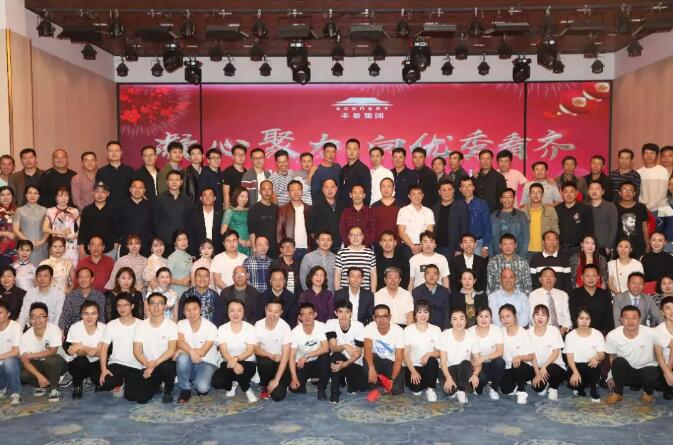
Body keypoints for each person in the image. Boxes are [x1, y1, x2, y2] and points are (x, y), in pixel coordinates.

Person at [605, 305, 670, 404]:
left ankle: (648, 393)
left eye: (634, 318)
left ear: (640, 320)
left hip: (645, 371)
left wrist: (668, 371)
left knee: (651, 371)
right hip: (626, 373)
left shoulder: (650, 332)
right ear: (621, 320)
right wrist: (612, 376)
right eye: (626, 318)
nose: (630, 321)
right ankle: (618, 392)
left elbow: (671, 344)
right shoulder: (612, 335)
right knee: (618, 361)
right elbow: (612, 357)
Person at [132, 291, 179, 404]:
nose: (156, 306)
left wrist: (154, 364)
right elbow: (137, 351)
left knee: (167, 366)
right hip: (148, 364)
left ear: (165, 306)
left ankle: (168, 390)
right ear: (148, 306)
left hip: (164, 363)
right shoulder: (141, 325)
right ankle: (157, 383)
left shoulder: (171, 325)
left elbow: (171, 350)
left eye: (160, 303)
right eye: (153, 303)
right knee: (141, 398)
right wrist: (147, 364)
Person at [19, 302, 67, 402]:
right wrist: (39, 376)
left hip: (58, 364)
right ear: (29, 320)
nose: (37, 320)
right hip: (40, 366)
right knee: (22, 373)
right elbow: (25, 360)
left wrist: (31, 355)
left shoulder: (54, 329)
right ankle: (41, 384)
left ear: (47, 318)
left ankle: (54, 389)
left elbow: (53, 351)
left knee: (51, 360)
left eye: (41, 316)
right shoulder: (25, 336)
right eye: (33, 317)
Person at [212, 299, 257, 402]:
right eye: (232, 310)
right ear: (228, 313)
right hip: (228, 362)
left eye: (239, 310)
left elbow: (249, 351)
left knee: (240, 371)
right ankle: (234, 383)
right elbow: (223, 351)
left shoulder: (250, 328)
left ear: (243, 312)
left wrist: (236, 359)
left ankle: (248, 390)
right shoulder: (222, 328)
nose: (235, 313)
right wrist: (234, 363)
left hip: (247, 363)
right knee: (216, 382)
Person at [98, 292, 142, 400]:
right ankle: (120, 383)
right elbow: (104, 348)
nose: (122, 308)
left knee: (132, 396)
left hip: (135, 365)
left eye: (125, 305)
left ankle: (126, 383)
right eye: (119, 306)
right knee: (106, 383)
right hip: (116, 363)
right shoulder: (111, 325)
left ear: (132, 306)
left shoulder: (141, 324)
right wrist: (104, 370)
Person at [175, 296, 219, 403]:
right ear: (184, 312)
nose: (191, 312)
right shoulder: (181, 324)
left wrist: (183, 350)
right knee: (182, 358)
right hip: (190, 359)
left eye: (194, 309)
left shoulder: (211, 327)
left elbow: (203, 352)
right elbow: (180, 342)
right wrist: (190, 351)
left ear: (200, 309)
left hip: (207, 362)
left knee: (202, 388)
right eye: (188, 310)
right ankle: (185, 388)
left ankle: (196, 379)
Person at [325, 300, 366, 404]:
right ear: (336, 313)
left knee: (363, 387)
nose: (343, 316)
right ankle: (334, 391)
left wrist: (345, 365)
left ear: (351, 313)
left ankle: (348, 380)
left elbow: (358, 354)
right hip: (338, 358)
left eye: (347, 312)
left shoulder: (359, 326)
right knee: (336, 356)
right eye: (340, 312)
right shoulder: (330, 323)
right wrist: (345, 346)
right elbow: (333, 347)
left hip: (354, 362)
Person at [288, 302, 330, 401]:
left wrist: (307, 355)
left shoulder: (321, 326)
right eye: (304, 314)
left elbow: (325, 348)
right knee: (296, 389)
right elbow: (291, 356)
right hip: (302, 365)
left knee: (326, 357)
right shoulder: (295, 332)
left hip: (318, 362)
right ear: (299, 317)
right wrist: (294, 378)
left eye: (310, 313)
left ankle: (321, 389)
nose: (307, 317)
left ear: (315, 314)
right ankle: (303, 383)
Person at [438, 308, 481, 403]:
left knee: (466, 363)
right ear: (451, 322)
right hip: (448, 368)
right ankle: (458, 387)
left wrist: (475, 374)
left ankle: (461, 390)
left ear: (466, 321)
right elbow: (443, 361)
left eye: (461, 318)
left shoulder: (471, 337)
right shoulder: (445, 335)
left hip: (463, 368)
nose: (459, 322)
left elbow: (478, 361)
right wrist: (448, 378)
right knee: (449, 392)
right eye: (455, 319)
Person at [363, 304, 405, 401]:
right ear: (374, 317)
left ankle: (382, 384)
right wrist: (371, 368)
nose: (381, 320)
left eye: (385, 316)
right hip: (376, 360)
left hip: (392, 362)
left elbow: (399, 358)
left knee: (396, 390)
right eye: (378, 317)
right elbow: (367, 350)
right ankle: (376, 387)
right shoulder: (369, 328)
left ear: (389, 317)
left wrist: (392, 379)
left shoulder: (398, 330)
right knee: (367, 359)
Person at [402, 299, 441, 402]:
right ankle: (427, 381)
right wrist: (413, 371)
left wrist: (429, 354)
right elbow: (405, 354)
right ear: (415, 315)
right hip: (413, 366)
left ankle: (430, 388)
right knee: (416, 390)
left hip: (429, 366)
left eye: (426, 312)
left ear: (429, 314)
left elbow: (439, 353)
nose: (423, 315)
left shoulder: (436, 329)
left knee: (432, 360)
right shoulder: (408, 330)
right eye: (419, 312)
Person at [254, 298, 292, 401]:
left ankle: (277, 381)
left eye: (276, 312)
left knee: (278, 396)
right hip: (266, 361)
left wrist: (276, 380)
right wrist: (272, 355)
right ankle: (264, 385)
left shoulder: (285, 327)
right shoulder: (258, 324)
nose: (272, 315)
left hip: (281, 363)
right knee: (265, 361)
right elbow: (256, 349)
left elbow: (285, 357)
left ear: (281, 312)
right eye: (270, 311)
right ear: (265, 310)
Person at [564, 307, 605, 402]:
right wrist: (575, 372)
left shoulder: (597, 334)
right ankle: (580, 389)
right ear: (576, 319)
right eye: (581, 318)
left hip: (591, 366)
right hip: (576, 366)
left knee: (594, 364)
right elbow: (569, 358)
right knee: (573, 383)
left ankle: (594, 390)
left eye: (587, 318)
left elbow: (602, 355)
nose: (584, 321)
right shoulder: (570, 336)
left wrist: (597, 358)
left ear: (591, 320)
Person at [65, 300, 105, 399]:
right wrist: (88, 349)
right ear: (81, 315)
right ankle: (77, 385)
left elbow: (100, 353)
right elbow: (79, 353)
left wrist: (81, 346)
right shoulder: (75, 327)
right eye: (86, 314)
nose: (89, 317)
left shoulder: (104, 328)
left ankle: (94, 380)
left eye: (93, 313)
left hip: (97, 362)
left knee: (102, 380)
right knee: (80, 361)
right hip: (80, 362)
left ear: (98, 315)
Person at [498, 304, 535, 405]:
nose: (505, 319)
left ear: (515, 317)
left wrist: (520, 357)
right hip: (509, 368)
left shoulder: (523, 333)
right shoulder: (500, 332)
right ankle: (517, 382)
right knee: (506, 390)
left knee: (517, 364)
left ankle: (521, 391)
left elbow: (531, 356)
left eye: (508, 316)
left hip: (525, 367)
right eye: (502, 317)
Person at [528, 304, 566, 401]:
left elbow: (555, 353)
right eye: (537, 314)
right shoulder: (529, 333)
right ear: (533, 317)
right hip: (538, 367)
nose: (540, 317)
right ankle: (545, 384)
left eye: (543, 315)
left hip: (555, 366)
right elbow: (532, 355)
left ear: (548, 318)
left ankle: (553, 388)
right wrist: (537, 374)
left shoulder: (554, 331)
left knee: (552, 369)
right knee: (537, 387)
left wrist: (544, 367)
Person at [469, 307, 506, 400]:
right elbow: (467, 354)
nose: (484, 319)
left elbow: (500, 352)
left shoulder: (496, 330)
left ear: (491, 318)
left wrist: (483, 358)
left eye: (487, 316)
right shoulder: (470, 331)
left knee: (500, 362)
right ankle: (478, 385)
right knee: (479, 388)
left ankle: (494, 388)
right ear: (476, 318)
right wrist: (473, 363)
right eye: (480, 316)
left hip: (492, 364)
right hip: (477, 366)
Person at [153, 171, 192, 257]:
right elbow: (154, 220)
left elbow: (189, 221)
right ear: (167, 182)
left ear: (181, 182)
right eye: (171, 180)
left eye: (177, 180)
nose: (174, 182)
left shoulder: (186, 199)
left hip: (182, 243)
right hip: (165, 243)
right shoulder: (160, 199)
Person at [58, 267, 106, 335]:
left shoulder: (99, 296)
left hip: (94, 332)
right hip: (74, 332)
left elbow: (101, 317)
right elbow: (65, 316)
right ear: (77, 280)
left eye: (86, 277)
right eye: (80, 277)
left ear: (92, 279)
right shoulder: (71, 296)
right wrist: (61, 331)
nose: (83, 280)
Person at [569, 264, 614, 336]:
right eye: (587, 276)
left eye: (593, 275)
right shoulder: (575, 294)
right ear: (582, 278)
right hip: (581, 332)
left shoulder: (604, 294)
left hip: (601, 334)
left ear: (598, 278)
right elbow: (573, 317)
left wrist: (607, 335)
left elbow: (609, 319)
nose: (590, 279)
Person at [78, 181, 118, 260]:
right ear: (93, 193)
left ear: (108, 194)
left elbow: (116, 231)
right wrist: (81, 249)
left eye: (103, 192)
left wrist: (115, 250)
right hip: (90, 251)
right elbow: (82, 231)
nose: (100, 194)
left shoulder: (113, 210)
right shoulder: (87, 210)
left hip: (109, 250)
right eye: (97, 191)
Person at [17, 265, 65, 329]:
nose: (42, 279)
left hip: (51, 328)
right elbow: (24, 313)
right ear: (36, 278)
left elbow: (58, 316)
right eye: (39, 276)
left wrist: (53, 331)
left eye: (45, 276)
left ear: (51, 278)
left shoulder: (59, 294)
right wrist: (18, 331)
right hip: (32, 328)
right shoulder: (30, 293)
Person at [42, 187, 80, 267]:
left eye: (66, 196)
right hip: (56, 245)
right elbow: (45, 229)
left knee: (71, 267)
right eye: (60, 196)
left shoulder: (74, 210)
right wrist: (60, 232)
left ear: (69, 198)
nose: (63, 198)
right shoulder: (50, 211)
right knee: (56, 268)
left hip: (71, 244)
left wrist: (74, 236)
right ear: (56, 198)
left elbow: (82, 227)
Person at [520, 183, 559, 257]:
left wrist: (556, 248)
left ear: (542, 195)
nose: (535, 195)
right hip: (526, 250)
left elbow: (555, 231)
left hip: (545, 249)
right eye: (533, 193)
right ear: (529, 195)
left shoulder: (550, 210)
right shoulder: (522, 212)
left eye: (538, 192)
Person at [432, 180, 469, 259]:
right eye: (444, 190)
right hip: (435, 248)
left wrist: (459, 249)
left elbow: (464, 229)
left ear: (453, 191)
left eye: (449, 190)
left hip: (453, 249)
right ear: (439, 192)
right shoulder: (434, 207)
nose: (447, 193)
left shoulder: (461, 207)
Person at [528, 268, 571, 335]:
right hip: (541, 329)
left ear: (555, 279)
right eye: (545, 276)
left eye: (551, 276)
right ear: (540, 279)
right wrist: (542, 329)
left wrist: (565, 327)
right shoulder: (533, 295)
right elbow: (531, 316)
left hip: (561, 329)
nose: (548, 278)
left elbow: (568, 315)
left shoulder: (563, 295)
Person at [555, 182, 594, 256]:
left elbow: (590, 230)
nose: (569, 194)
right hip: (560, 248)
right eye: (566, 192)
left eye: (572, 191)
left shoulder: (585, 209)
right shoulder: (557, 209)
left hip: (579, 249)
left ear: (576, 193)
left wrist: (587, 246)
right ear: (561, 193)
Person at [118, 179, 154, 257]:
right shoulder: (122, 205)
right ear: (130, 189)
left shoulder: (151, 206)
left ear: (144, 190)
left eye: (140, 187)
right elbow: (117, 225)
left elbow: (154, 226)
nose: (137, 190)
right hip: (127, 246)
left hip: (145, 246)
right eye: (134, 187)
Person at [276, 181, 311, 262]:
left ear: (302, 191)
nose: (296, 192)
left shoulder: (309, 209)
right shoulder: (283, 210)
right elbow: (279, 232)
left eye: (298, 189)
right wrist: (281, 250)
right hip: (290, 250)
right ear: (288, 193)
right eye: (292, 190)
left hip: (307, 249)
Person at [12, 185, 48, 264]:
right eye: (30, 193)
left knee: (42, 269)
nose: (32, 195)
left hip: (40, 246)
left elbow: (48, 229)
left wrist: (42, 241)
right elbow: (15, 229)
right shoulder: (19, 210)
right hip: (25, 247)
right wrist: (28, 242)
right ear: (25, 195)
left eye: (35, 193)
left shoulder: (45, 210)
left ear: (39, 195)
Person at [335, 226, 377, 292]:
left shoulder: (370, 253)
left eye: (358, 235)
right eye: (352, 235)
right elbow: (337, 275)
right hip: (345, 293)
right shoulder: (341, 253)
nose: (355, 237)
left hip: (364, 293)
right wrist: (338, 293)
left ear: (363, 236)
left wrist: (373, 293)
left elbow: (373, 275)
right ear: (348, 237)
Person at [529, 231, 572, 295]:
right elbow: (533, 282)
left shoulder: (564, 259)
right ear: (543, 242)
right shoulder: (535, 259)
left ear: (557, 242)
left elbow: (568, 283)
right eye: (548, 239)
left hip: (560, 297)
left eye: (554, 239)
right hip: (540, 296)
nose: (552, 242)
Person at [397, 185, 435, 257]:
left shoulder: (429, 211)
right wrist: (412, 246)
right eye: (413, 194)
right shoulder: (403, 211)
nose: (417, 196)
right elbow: (401, 232)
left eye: (419, 194)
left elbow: (430, 232)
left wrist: (421, 246)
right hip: (407, 247)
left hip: (424, 247)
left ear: (423, 195)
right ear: (409, 196)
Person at [616, 181, 650, 259]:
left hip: (639, 245)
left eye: (630, 190)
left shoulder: (641, 207)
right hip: (621, 246)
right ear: (619, 193)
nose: (627, 193)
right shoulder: (614, 207)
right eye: (624, 190)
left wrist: (647, 245)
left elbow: (645, 227)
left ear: (634, 193)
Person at [95, 141, 135, 208]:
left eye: (116, 151)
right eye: (111, 151)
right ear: (107, 153)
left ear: (121, 152)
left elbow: (134, 190)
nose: (114, 153)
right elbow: (99, 191)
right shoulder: (101, 172)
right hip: (107, 208)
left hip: (127, 207)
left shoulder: (130, 171)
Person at [490, 188, 529, 257]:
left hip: (517, 255)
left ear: (514, 199)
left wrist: (522, 255)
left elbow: (526, 237)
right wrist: (491, 254)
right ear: (500, 199)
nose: (507, 200)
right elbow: (489, 236)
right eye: (504, 197)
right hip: (497, 255)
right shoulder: (493, 216)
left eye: (509, 197)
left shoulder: (521, 215)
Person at [309, 178, 344, 253]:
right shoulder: (315, 207)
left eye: (332, 187)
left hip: (339, 247)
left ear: (336, 189)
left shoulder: (343, 206)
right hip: (322, 248)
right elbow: (311, 230)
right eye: (327, 187)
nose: (330, 190)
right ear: (323, 190)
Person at [460, 177, 491, 257]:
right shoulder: (458, 205)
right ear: (460, 189)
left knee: (477, 264)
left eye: (469, 185)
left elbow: (487, 226)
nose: (467, 188)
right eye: (464, 186)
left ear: (473, 188)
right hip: (462, 244)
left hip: (478, 243)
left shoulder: (482, 204)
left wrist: (485, 246)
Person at [414, 264, 451, 330]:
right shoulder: (417, 291)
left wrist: (446, 329)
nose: (431, 276)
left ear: (439, 276)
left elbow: (446, 312)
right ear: (424, 276)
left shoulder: (445, 291)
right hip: (423, 327)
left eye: (435, 274)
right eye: (428, 273)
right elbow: (415, 312)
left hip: (440, 327)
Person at [248, 180, 279, 258]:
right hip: (260, 249)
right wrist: (254, 249)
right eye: (264, 189)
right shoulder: (254, 208)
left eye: (269, 189)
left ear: (272, 191)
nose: (267, 192)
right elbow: (251, 232)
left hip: (275, 249)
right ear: (260, 191)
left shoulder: (276, 208)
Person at [587, 180, 618, 256]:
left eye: (597, 188)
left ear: (603, 191)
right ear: (588, 191)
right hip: (587, 247)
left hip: (604, 247)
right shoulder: (584, 206)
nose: (594, 191)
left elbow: (614, 228)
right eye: (591, 188)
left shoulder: (610, 206)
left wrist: (608, 246)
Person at [0, 300, 22, 405]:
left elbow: (16, 351)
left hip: (14, 362)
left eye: (0, 312)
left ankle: (16, 392)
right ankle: (2, 387)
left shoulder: (15, 326)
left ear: (8, 314)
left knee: (8, 362)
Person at [338, 139, 371, 207]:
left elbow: (367, 192)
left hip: (357, 209)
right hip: (343, 208)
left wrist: (363, 209)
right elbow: (340, 189)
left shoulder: (363, 169)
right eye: (349, 149)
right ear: (346, 151)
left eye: (354, 149)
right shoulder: (343, 169)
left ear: (359, 151)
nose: (352, 151)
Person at [638, 143, 669, 214]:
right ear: (642, 155)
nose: (649, 156)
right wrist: (643, 205)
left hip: (660, 209)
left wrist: (649, 206)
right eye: (646, 153)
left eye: (652, 153)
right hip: (643, 209)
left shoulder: (662, 171)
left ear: (657, 155)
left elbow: (662, 193)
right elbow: (638, 193)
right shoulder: (639, 172)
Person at [222, 187, 251, 255]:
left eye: (246, 197)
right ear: (236, 196)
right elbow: (223, 231)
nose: (244, 199)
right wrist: (238, 240)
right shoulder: (230, 211)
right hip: (235, 244)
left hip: (248, 244)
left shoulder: (250, 211)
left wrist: (250, 241)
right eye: (241, 196)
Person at [654, 296, 673, 399]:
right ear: (662, 312)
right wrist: (667, 373)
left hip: (670, 364)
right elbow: (659, 356)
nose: (672, 311)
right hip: (662, 364)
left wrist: (668, 373)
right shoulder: (658, 330)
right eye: (668, 308)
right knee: (668, 395)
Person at [167, 230, 192, 298]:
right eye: (179, 240)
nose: (183, 242)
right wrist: (180, 282)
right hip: (175, 293)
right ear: (175, 243)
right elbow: (166, 277)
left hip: (188, 292)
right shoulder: (172, 257)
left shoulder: (189, 257)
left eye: (185, 239)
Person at [182, 144, 205, 208]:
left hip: (205, 207)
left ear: (203, 156)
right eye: (193, 154)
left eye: (198, 154)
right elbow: (183, 194)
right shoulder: (185, 172)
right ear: (189, 157)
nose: (196, 156)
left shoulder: (205, 171)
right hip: (192, 208)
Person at [0, 186, 17, 268]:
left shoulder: (17, 210)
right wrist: (6, 233)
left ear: (12, 196)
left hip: (15, 250)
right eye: (2, 195)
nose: (6, 197)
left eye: (8, 194)